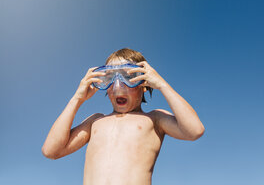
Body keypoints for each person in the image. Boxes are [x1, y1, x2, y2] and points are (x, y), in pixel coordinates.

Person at [42, 47, 205, 185]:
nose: (119, 86)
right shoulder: (96, 121)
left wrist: (162, 84)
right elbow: (51, 150)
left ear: (145, 85)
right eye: (110, 79)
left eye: (129, 77)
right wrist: (77, 98)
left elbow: (194, 130)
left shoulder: (154, 119)